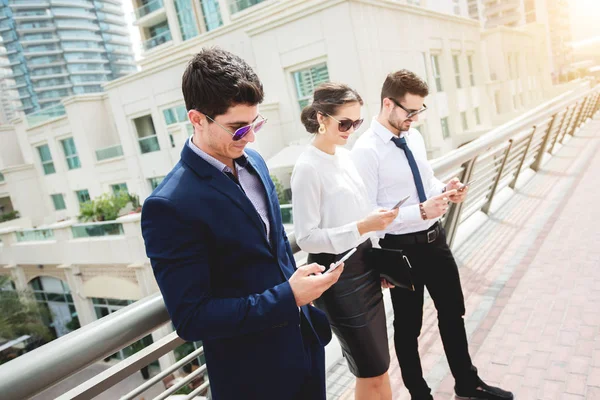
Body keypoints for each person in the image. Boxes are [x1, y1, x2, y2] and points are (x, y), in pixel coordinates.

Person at [141, 47, 343, 400]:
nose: (250, 137)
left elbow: (274, 251)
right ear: (197, 119)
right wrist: (287, 297)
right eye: (238, 128)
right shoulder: (169, 205)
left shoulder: (255, 162)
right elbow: (191, 317)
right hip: (252, 377)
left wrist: (302, 288)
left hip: (305, 346)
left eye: (255, 123)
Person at [351, 70, 514, 400]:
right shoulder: (365, 151)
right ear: (387, 103)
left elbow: (423, 183)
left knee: (454, 312)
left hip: (434, 241)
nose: (415, 118)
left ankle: (468, 384)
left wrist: (446, 189)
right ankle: (419, 394)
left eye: (419, 111)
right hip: (400, 251)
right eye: (410, 111)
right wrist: (420, 212)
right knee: (409, 329)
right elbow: (368, 215)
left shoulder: (413, 136)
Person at [291, 82, 398, 400]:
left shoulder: (346, 157)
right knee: (370, 368)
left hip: (365, 265)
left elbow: (358, 213)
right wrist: (361, 226)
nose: (351, 129)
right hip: (338, 278)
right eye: (345, 122)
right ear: (321, 118)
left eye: (358, 122)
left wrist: (377, 249)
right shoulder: (307, 168)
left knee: (380, 365)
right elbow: (306, 238)